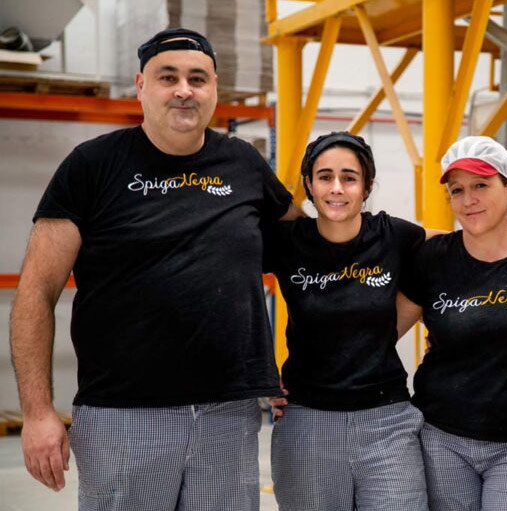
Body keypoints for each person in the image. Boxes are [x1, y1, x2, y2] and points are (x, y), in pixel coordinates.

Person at [9, 27, 301, 511]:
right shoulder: (93, 166)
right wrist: (39, 413)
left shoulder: (244, 164)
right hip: (123, 416)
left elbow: (310, 252)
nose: (184, 90)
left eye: (197, 78)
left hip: (227, 415)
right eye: (169, 77)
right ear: (141, 85)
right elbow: (36, 292)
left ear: (215, 89)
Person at [397, 136, 507, 511]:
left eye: (481, 185)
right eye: (458, 190)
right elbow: (381, 335)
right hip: (441, 436)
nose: (468, 199)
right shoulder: (432, 259)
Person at [265, 131, 429, 510]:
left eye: (349, 177)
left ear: (367, 186)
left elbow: (466, 246)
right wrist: (256, 372)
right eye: (324, 177)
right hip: (307, 421)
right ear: (308, 183)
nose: (336, 188)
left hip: (387, 420)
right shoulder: (287, 242)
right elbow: (223, 284)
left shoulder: (393, 235)